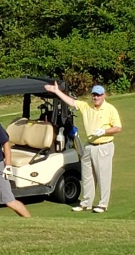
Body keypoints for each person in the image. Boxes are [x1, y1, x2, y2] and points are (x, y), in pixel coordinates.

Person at [44, 82, 122, 213]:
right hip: (89, 146)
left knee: (103, 176)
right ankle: (86, 203)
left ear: (104, 95)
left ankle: (102, 204)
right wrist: (57, 92)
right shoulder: (87, 106)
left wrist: (104, 131)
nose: (96, 97)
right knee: (87, 176)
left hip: (104, 146)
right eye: (94, 95)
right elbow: (71, 102)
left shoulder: (110, 109)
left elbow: (118, 127)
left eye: (98, 95)